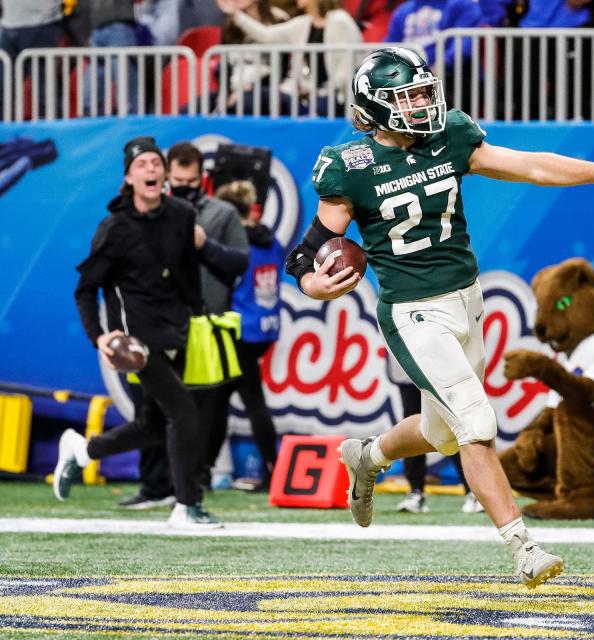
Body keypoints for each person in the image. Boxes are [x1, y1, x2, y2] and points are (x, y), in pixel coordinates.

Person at [285, 47, 594, 588]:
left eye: (423, 92)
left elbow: (532, 165)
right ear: (375, 106)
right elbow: (312, 248)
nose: (422, 103)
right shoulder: (349, 167)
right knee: (476, 421)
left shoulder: (452, 136)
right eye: (408, 96)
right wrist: (311, 282)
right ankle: (522, 547)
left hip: (467, 300)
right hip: (412, 312)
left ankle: (367, 456)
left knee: (442, 433)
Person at [56, 136, 222, 529]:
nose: (151, 169)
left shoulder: (181, 214)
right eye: (142, 164)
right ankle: (186, 505)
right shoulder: (114, 227)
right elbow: (85, 289)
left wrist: (197, 317)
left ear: (164, 173)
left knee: (151, 424)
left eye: (155, 163)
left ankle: (82, 451)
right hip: (135, 341)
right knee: (184, 413)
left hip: (177, 331)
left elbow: (187, 272)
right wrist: (99, 336)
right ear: (128, 177)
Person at [117, 140, 250, 507]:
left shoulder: (221, 213)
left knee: (202, 410)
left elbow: (240, 262)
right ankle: (154, 485)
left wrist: (205, 246)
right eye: (176, 182)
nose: (183, 189)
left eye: (190, 183)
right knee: (151, 406)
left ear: (201, 179)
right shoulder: (149, 214)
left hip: (206, 325)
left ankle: (192, 482)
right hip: (160, 323)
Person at [216, 179, 284, 490]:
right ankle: (202, 468)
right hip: (265, 327)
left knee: (242, 400)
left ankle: (274, 472)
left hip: (240, 329)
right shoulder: (271, 240)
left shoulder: (235, 241)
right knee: (220, 399)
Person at [216, 0, 363, 115]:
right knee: (262, 95)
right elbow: (267, 35)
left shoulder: (339, 20)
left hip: (337, 99)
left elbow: (345, 73)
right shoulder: (304, 22)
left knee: (263, 97)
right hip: (310, 97)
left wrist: (317, 92)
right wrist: (235, 15)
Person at [387, 355, 483, 514]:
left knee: (454, 420)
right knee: (412, 419)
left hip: (442, 355)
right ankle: (415, 491)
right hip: (407, 353)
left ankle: (473, 491)